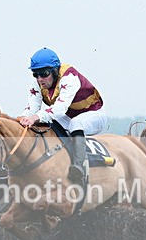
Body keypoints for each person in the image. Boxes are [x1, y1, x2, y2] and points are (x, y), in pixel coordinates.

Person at [19, 48, 107, 184]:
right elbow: (31, 108)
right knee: (46, 125)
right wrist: (21, 120)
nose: (39, 79)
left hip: (94, 115)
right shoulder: (37, 83)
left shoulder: (69, 78)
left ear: (55, 70)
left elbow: (59, 109)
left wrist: (35, 117)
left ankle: (79, 166)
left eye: (44, 73)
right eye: (35, 74)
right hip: (70, 117)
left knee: (75, 124)